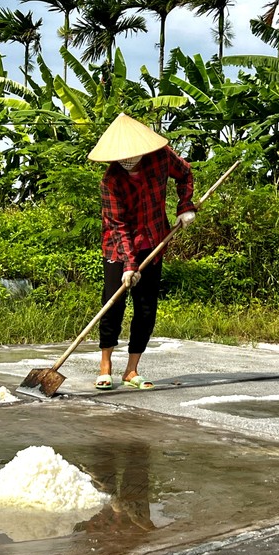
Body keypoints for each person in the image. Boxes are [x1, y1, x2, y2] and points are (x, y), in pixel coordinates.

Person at [87, 113, 196, 390]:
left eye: (130, 156)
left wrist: (185, 206)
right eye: (120, 157)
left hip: (154, 242)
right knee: (113, 305)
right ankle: (105, 366)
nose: (125, 161)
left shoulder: (161, 157)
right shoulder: (110, 182)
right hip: (118, 248)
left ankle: (131, 370)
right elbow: (118, 225)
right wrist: (128, 266)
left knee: (146, 309)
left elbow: (185, 174)